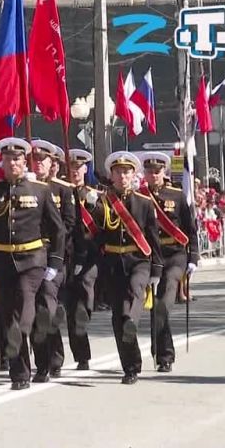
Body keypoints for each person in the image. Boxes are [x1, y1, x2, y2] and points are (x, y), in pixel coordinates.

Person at [0, 138, 65, 390]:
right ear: (1, 162)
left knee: (23, 311)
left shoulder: (39, 189)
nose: (12, 163)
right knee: (7, 317)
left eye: (17, 159)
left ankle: (39, 360)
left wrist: (55, 263)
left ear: (24, 161)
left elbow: (57, 229)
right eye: (7, 159)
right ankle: (20, 375)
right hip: (1, 260)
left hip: (32, 261)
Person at [91, 151, 163, 385]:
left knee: (133, 294)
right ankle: (130, 366)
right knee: (117, 319)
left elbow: (153, 238)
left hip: (138, 260)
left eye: (127, 172)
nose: (122, 176)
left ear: (134, 175)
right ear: (111, 175)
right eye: (118, 172)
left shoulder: (143, 203)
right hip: (113, 264)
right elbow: (96, 236)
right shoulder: (103, 203)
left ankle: (131, 319)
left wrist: (157, 269)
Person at [139, 152, 199, 373]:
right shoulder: (140, 196)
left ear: (164, 172)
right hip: (150, 256)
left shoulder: (177, 196)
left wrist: (193, 257)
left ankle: (166, 356)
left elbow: (190, 229)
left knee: (163, 303)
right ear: (144, 174)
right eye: (149, 172)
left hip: (174, 255)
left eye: (157, 171)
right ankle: (160, 350)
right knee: (155, 307)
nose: (153, 175)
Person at [30, 140, 76, 383]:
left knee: (45, 308)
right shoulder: (22, 187)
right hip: (28, 256)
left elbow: (69, 225)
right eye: (34, 159)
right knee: (32, 311)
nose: (38, 164)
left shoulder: (63, 190)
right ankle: (41, 363)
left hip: (53, 258)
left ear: (52, 164)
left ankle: (54, 358)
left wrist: (56, 255)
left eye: (43, 160)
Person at [62, 149, 99, 371]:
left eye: (78, 167)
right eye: (71, 168)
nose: (75, 171)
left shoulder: (94, 195)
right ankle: (82, 356)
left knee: (84, 301)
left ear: (86, 169)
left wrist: (95, 206)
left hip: (89, 258)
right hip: (67, 255)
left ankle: (84, 319)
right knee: (71, 309)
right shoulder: (59, 192)